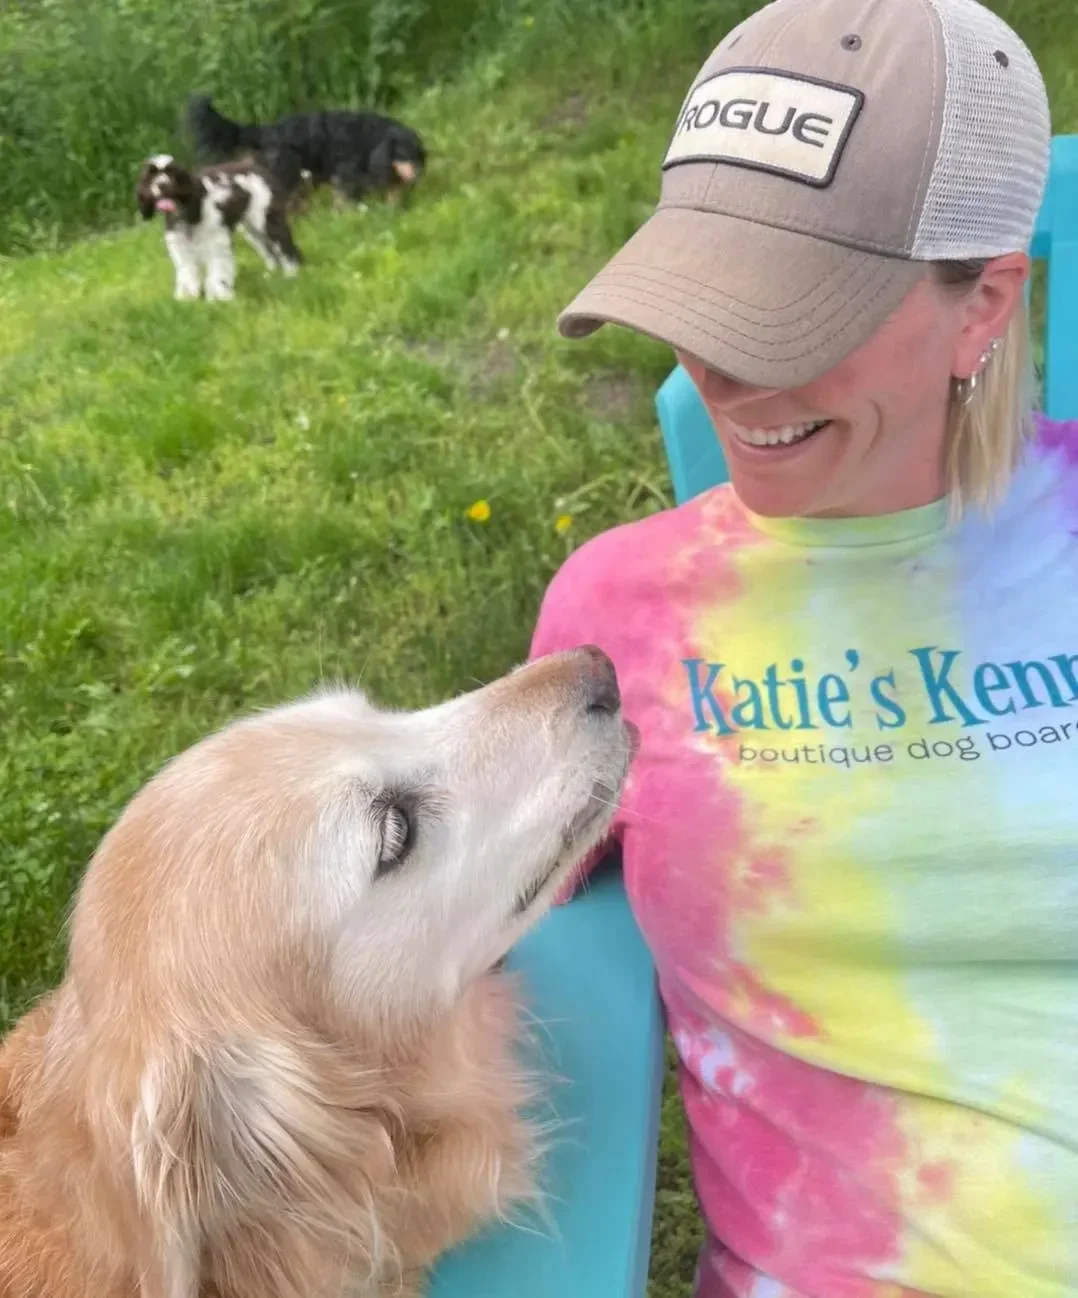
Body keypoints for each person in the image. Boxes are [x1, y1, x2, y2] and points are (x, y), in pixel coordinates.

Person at [528, 0, 1078, 1294]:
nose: (722, 374)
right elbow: (463, 936)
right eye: (703, 300)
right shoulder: (620, 615)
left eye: (797, 316)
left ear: (980, 304)